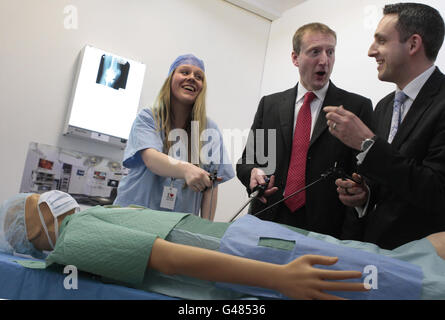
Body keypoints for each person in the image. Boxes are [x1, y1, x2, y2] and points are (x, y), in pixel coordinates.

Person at [3, 190, 445, 300]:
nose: (50, 201)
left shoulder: (86, 219)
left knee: (388, 273)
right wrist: (280, 278)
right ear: (33, 236)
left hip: (251, 245)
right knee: (386, 275)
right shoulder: (73, 239)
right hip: (252, 253)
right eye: (38, 204)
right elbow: (170, 258)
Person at [324, 3, 445, 249]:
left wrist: (369, 145)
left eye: (381, 41)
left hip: (421, 263)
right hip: (373, 252)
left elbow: (437, 191)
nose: (371, 51)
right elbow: (392, 182)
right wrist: (364, 196)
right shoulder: (384, 106)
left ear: (412, 44)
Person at [236, 23, 373, 238]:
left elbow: (364, 178)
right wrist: (253, 173)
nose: (324, 61)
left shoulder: (356, 108)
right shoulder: (270, 105)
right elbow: (249, 161)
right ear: (295, 58)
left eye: (330, 52)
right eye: (315, 52)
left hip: (326, 232)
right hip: (268, 219)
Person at [114, 54, 234, 220]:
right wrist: (187, 169)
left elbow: (211, 186)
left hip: (178, 223)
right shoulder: (149, 117)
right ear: (170, 79)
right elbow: (151, 159)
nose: (192, 78)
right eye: (185, 72)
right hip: (134, 217)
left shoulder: (210, 130)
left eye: (199, 77)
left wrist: (206, 230)